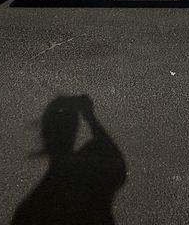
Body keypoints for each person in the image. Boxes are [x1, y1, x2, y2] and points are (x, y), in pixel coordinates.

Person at [12, 95, 127, 225]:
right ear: (74, 130)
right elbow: (115, 161)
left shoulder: (32, 207)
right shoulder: (90, 174)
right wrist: (90, 117)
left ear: (45, 135)